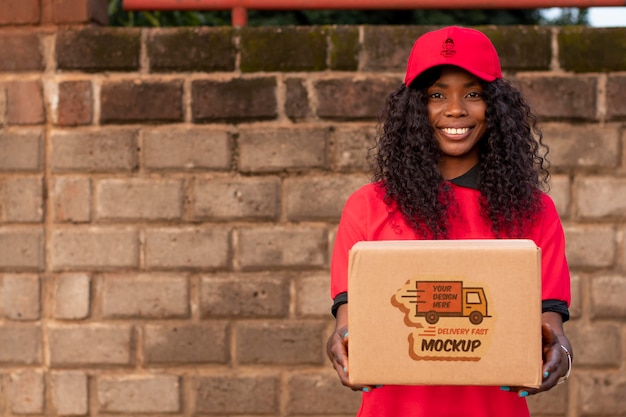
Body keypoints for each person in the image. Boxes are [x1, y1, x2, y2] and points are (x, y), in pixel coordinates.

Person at [327, 26, 573, 417]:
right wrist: (341, 344)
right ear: (413, 109)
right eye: (436, 95)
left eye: (473, 94)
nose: (455, 109)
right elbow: (349, 322)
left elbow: (553, 329)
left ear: (496, 107)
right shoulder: (367, 207)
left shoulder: (534, 211)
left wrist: (559, 355)